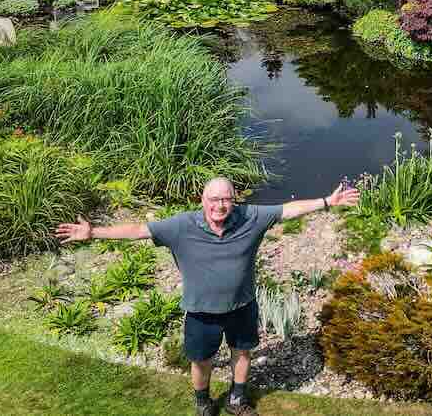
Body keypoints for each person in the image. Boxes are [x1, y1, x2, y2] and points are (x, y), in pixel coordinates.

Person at [54, 177, 360, 416]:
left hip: (242, 305)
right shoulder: (181, 225)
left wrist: (327, 202)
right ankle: (202, 402)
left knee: (242, 352)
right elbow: (138, 230)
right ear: (203, 200)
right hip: (201, 311)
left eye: (227, 199)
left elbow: (286, 210)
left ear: (234, 200)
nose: (221, 205)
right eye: (214, 199)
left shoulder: (250, 217)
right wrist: (93, 233)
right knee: (201, 360)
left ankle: (237, 398)